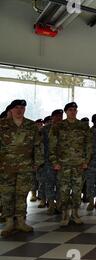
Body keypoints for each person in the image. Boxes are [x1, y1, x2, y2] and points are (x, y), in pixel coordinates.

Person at [0, 100, 42, 237]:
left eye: (22, 108)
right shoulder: (2, 125)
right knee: (7, 194)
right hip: (5, 167)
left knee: (22, 194)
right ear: (10, 110)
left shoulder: (31, 126)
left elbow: (38, 145)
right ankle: (8, 222)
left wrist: (37, 162)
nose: (19, 110)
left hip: (26, 166)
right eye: (16, 108)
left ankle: (20, 221)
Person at [49, 102, 91, 226]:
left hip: (79, 164)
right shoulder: (58, 126)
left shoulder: (83, 126)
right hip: (63, 165)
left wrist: (86, 161)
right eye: (70, 110)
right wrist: (54, 162)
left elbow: (88, 145)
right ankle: (64, 214)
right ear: (66, 112)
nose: (73, 111)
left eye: (75, 109)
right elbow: (52, 146)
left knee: (77, 190)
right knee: (64, 190)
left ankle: (75, 213)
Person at [41, 109, 63, 215]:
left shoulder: (64, 129)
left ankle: (59, 204)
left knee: (60, 184)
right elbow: (39, 145)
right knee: (49, 183)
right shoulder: (44, 130)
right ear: (52, 117)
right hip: (48, 162)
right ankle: (51, 204)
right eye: (57, 116)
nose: (59, 118)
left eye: (61, 116)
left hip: (62, 162)